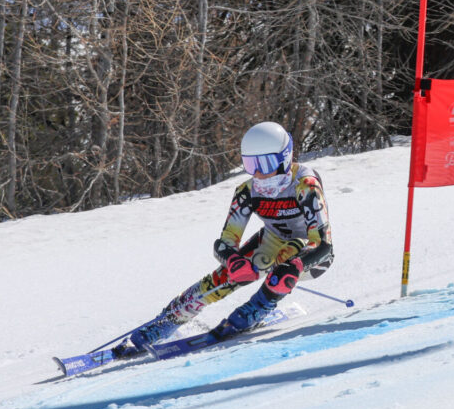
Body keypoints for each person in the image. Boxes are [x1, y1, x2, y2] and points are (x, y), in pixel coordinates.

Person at [113, 121, 333, 356]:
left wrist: (296, 264)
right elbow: (224, 242)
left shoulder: (305, 185)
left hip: (312, 254)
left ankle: (256, 308)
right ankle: (165, 321)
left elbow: (323, 244)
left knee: (285, 268)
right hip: (274, 240)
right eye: (251, 164)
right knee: (223, 277)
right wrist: (232, 261)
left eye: (265, 163)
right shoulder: (247, 191)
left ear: (284, 158)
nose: (258, 173)